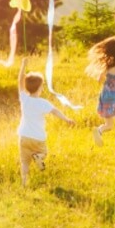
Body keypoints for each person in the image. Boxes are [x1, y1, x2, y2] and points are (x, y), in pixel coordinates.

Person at [17, 57, 74, 186]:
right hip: (38, 137)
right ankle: (39, 157)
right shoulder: (44, 103)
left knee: (24, 162)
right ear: (40, 88)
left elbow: (20, 81)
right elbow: (55, 111)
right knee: (43, 153)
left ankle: (24, 183)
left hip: (24, 136)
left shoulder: (24, 98)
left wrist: (23, 66)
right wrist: (66, 119)